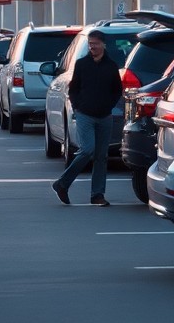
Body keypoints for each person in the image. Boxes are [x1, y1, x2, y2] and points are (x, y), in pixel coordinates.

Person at [51, 30, 122, 207]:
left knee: (101, 156)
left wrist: (109, 105)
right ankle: (63, 183)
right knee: (87, 149)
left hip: (105, 116)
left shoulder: (111, 66)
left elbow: (117, 90)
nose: (92, 47)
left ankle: (97, 194)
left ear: (103, 44)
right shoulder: (82, 64)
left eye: (95, 44)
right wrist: (77, 106)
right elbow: (73, 89)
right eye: (90, 44)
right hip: (85, 115)